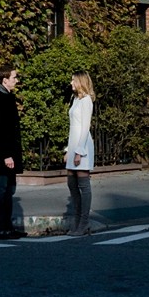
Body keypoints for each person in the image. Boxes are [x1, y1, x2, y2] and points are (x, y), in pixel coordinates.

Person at [0, 66, 23, 240]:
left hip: (9, 153)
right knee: (0, 189)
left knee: (9, 190)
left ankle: (7, 227)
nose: (16, 80)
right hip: (2, 155)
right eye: (14, 77)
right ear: (4, 80)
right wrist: (7, 155)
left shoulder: (8, 96)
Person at [64, 70, 95, 236]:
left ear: (81, 82)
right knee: (71, 183)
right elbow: (73, 129)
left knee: (83, 185)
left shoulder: (87, 101)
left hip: (82, 146)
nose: (71, 83)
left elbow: (84, 127)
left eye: (73, 80)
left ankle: (84, 223)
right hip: (73, 145)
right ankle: (77, 222)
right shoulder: (75, 99)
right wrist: (68, 150)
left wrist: (79, 152)